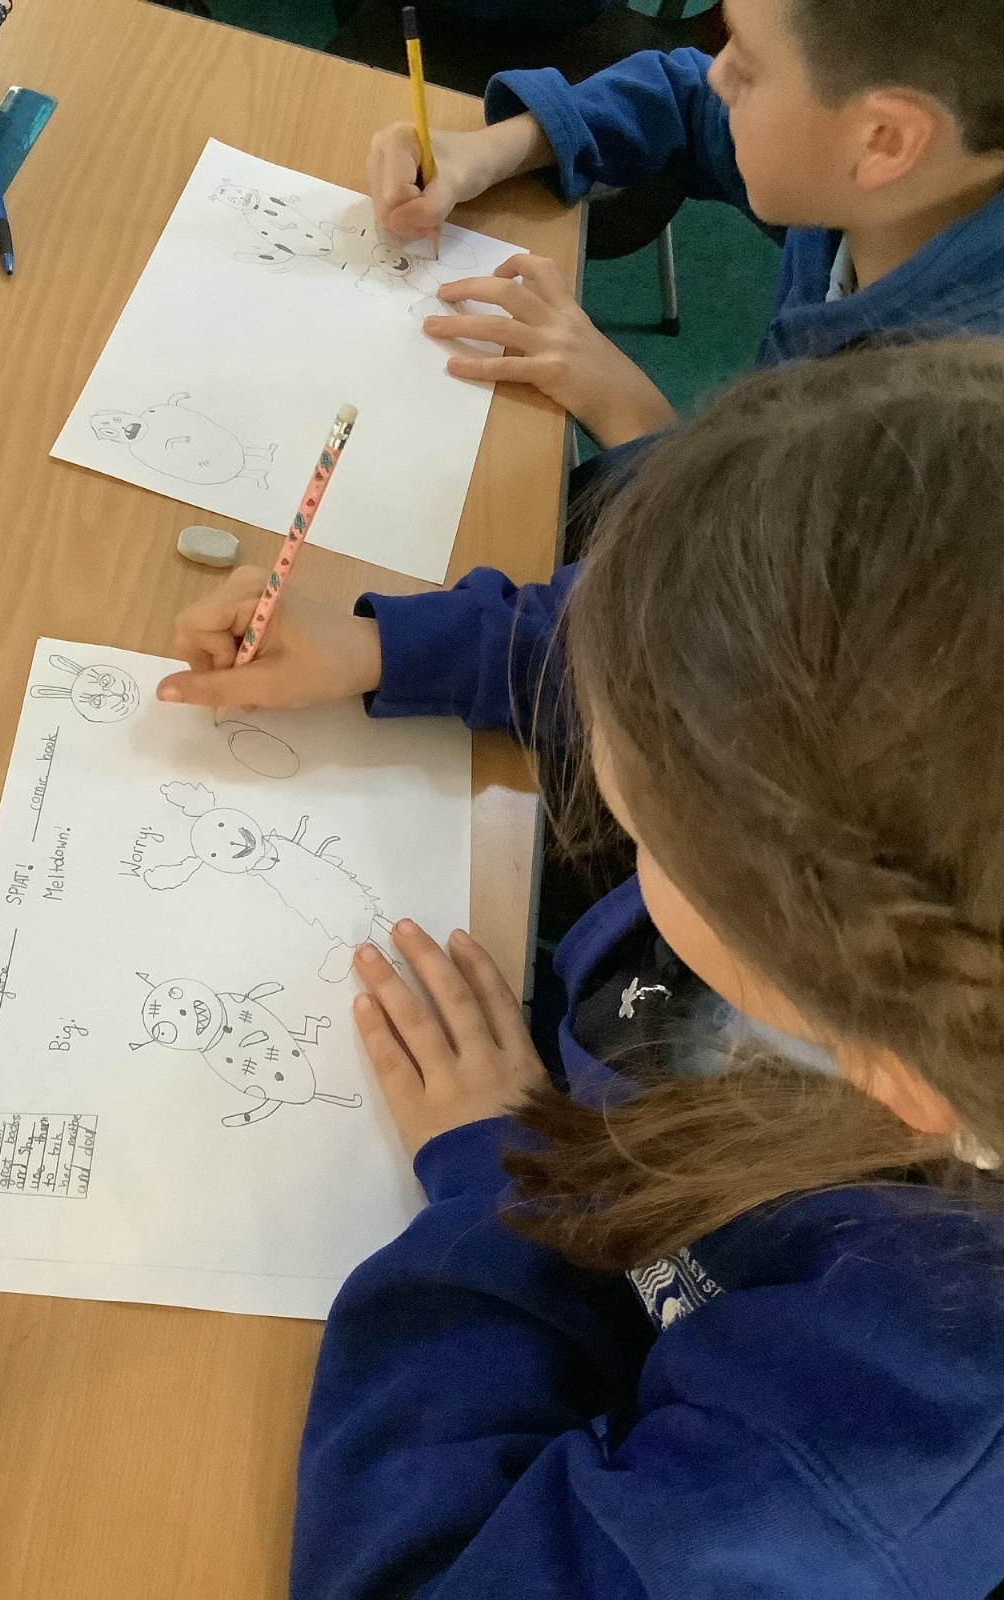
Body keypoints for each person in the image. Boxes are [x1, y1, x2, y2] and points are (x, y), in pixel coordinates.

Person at [158, 341, 1004, 1596]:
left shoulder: (875, 1433)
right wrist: (388, 651)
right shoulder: (911, 846)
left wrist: (496, 1180)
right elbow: (673, 660)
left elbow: (430, 1572)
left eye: (649, 829)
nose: (602, 733)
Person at [365, 0, 1004, 474]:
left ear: (884, 140)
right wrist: (495, 149)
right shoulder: (911, 186)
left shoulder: (931, 450)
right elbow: (690, 100)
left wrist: (632, 413)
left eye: (746, 65)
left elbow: (741, 592)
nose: (719, 75)